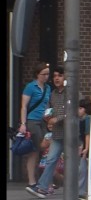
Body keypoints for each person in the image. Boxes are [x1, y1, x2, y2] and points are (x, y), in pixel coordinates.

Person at [29, 66, 67, 198]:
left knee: (76, 162)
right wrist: (48, 117)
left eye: (60, 75)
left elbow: (74, 111)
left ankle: (79, 189)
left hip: (70, 134)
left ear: (65, 77)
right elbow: (50, 110)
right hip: (57, 133)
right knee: (51, 160)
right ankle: (42, 187)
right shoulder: (53, 94)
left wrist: (58, 119)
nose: (57, 78)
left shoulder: (72, 93)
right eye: (55, 76)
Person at [18, 62, 53, 192]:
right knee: (35, 150)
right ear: (37, 74)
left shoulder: (48, 88)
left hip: (43, 121)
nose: (46, 77)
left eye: (47, 74)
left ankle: (43, 181)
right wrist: (23, 123)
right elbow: (24, 106)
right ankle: (32, 181)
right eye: (43, 74)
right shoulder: (30, 87)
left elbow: (47, 105)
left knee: (44, 150)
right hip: (32, 121)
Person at [78, 98, 91, 200]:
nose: (78, 110)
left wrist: (86, 148)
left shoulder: (87, 119)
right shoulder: (81, 120)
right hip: (83, 146)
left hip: (86, 148)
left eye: (80, 108)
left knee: (82, 169)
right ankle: (81, 192)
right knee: (82, 169)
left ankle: (82, 192)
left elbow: (87, 134)